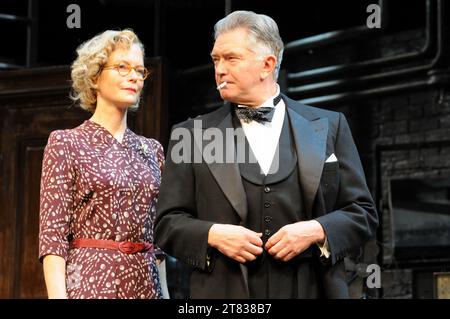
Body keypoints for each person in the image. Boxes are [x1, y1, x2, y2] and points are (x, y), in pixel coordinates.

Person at [155, 11, 378, 299]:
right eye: (216, 60)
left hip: (312, 288)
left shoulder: (329, 126)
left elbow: (363, 213)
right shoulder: (191, 133)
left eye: (231, 58)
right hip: (227, 292)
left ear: (267, 64)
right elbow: (167, 223)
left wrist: (315, 230)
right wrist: (213, 234)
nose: (219, 69)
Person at [38, 29, 169, 299]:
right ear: (95, 76)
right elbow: (53, 239)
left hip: (146, 286)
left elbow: (158, 243)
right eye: (122, 67)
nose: (134, 76)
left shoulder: (152, 150)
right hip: (91, 284)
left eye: (139, 70)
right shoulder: (67, 143)